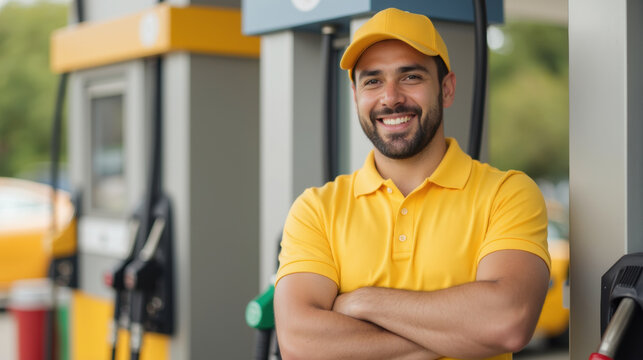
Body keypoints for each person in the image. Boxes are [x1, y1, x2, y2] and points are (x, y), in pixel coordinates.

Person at [274, 8, 551, 360]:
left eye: (410, 77)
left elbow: (507, 321)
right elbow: (300, 344)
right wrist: (459, 333)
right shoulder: (316, 209)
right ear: (356, 95)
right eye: (372, 81)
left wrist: (362, 301)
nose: (390, 97)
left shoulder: (507, 194)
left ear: (447, 89)